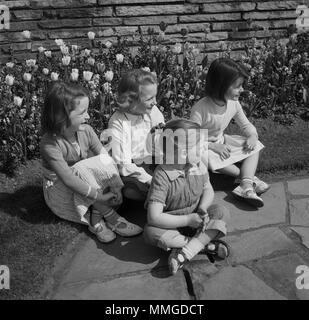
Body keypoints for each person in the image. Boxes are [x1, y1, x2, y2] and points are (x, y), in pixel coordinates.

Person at [40, 82, 142, 243]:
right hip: (62, 190)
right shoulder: (50, 144)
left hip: (86, 183)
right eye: (82, 113)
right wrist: (98, 196)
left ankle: (95, 218)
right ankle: (111, 217)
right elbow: (68, 179)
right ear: (61, 116)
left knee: (103, 161)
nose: (88, 116)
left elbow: (104, 160)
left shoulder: (86, 131)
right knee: (80, 168)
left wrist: (116, 184)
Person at [143, 119, 230, 275]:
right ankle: (200, 246)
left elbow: (208, 189)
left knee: (222, 211)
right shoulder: (162, 175)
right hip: (170, 223)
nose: (203, 150)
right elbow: (154, 218)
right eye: (200, 147)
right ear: (183, 152)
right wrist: (188, 220)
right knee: (150, 232)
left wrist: (203, 208)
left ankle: (182, 253)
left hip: (196, 215)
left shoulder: (198, 164)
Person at [190, 57, 270, 208]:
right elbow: (192, 137)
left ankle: (245, 184)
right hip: (204, 147)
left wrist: (252, 136)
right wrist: (212, 146)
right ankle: (249, 180)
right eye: (238, 86)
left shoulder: (234, 103)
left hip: (222, 142)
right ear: (221, 85)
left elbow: (246, 125)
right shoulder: (200, 108)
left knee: (255, 146)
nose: (242, 89)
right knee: (201, 156)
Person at [102, 69, 165, 201]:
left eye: (155, 96)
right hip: (131, 168)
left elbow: (161, 143)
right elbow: (123, 164)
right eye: (149, 98)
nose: (155, 102)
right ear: (131, 100)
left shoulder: (152, 111)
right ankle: (159, 199)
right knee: (130, 189)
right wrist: (150, 180)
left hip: (151, 161)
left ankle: (162, 196)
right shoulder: (118, 122)